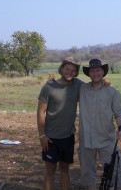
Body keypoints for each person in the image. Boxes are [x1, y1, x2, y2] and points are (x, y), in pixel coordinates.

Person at [78, 59, 121, 190]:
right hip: (86, 139)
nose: (95, 73)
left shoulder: (112, 91)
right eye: (92, 71)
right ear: (89, 73)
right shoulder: (82, 88)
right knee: (88, 173)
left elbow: (119, 113)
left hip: (107, 138)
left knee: (115, 168)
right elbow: (67, 82)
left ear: (103, 72)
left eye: (98, 70)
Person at [37, 57, 82, 190]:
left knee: (64, 169)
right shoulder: (49, 87)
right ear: (61, 69)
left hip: (68, 137)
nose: (70, 72)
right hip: (50, 138)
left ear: (76, 73)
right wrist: (42, 136)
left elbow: (93, 86)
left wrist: (105, 82)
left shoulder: (78, 85)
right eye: (67, 69)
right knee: (49, 172)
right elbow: (40, 113)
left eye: (73, 70)